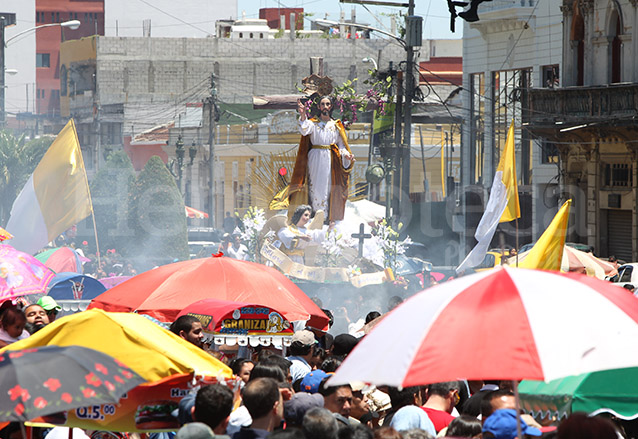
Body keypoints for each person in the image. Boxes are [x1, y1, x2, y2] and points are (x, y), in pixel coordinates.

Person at [289, 96, 355, 222]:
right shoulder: (313, 123)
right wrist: (303, 115)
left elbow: (341, 145)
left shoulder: (336, 125)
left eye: (328, 104)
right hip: (316, 157)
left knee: (329, 187)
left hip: (331, 159)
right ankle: (315, 216)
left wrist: (346, 155)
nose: (325, 107)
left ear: (331, 107)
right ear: (319, 107)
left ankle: (327, 218)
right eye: (323, 104)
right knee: (316, 187)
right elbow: (304, 130)